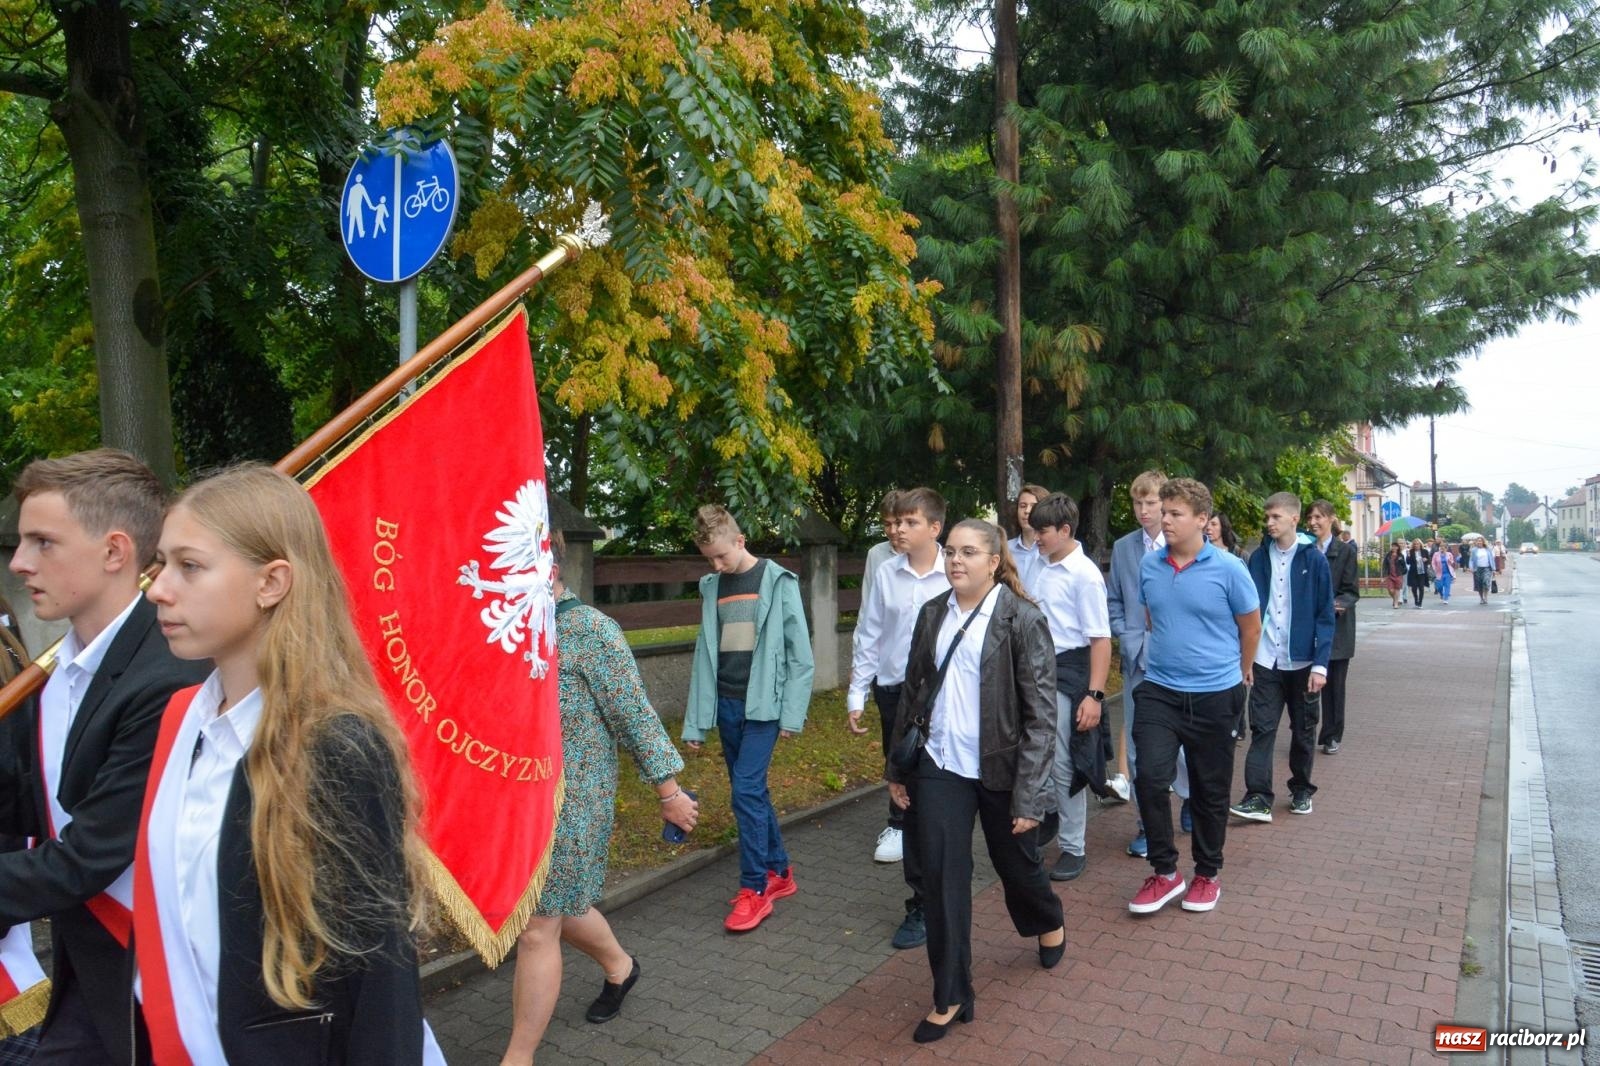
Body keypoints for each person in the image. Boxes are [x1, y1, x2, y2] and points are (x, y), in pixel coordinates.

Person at [135, 464, 436, 1064]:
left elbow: (378, 978)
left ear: (272, 582)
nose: (159, 589)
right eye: (161, 564)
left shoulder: (336, 747)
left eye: (189, 566)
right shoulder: (183, 725)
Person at [1, 449, 208, 1065]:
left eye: (43, 543)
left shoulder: (167, 678)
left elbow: (86, 858)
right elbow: (17, 806)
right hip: (89, 966)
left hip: (165, 976)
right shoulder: (51, 673)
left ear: (115, 552)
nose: (19, 563)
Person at [500, 533, 698, 1063]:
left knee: (538, 925)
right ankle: (621, 968)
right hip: (522, 800)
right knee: (557, 910)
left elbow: (636, 718)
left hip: (576, 801)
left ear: (548, 568)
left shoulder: (590, 630)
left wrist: (670, 793)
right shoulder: (510, 632)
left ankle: (516, 1058)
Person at [885, 520, 1064, 1043]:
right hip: (940, 766)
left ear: (993, 561)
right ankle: (951, 993)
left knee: (1017, 865)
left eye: (969, 553)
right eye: (951, 553)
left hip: (1002, 770)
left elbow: (1040, 716)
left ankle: (1046, 918)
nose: (956, 561)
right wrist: (898, 769)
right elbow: (913, 692)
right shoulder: (932, 613)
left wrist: (1031, 793)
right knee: (941, 877)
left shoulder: (1021, 619)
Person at [1127, 478, 1260, 916]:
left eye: (1174, 513)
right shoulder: (1151, 566)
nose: (1164, 520)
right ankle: (1165, 873)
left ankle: (1207, 874)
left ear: (1202, 520)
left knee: (1209, 790)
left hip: (1215, 695)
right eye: (1163, 512)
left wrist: (1240, 670)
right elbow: (1152, 617)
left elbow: (1251, 626)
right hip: (1160, 690)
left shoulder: (1229, 568)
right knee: (1148, 777)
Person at [682, 504, 814, 932]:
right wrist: (697, 723)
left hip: (765, 708)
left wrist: (792, 715)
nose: (717, 565)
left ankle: (755, 888)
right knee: (751, 792)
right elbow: (705, 657)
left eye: (722, 555)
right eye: (710, 559)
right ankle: (780, 872)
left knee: (746, 792)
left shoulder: (777, 582)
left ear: (740, 541)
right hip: (728, 705)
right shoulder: (711, 587)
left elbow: (801, 656)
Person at [846, 488, 948, 947]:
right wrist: (856, 692)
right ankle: (922, 901)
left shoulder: (958, 571)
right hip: (894, 694)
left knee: (941, 794)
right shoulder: (886, 572)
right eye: (896, 522)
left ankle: (945, 890)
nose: (898, 530)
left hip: (946, 698)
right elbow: (869, 630)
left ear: (934, 528)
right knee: (906, 787)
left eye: (909, 522)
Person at [1023, 493, 1111, 883]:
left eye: (1042, 530)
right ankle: (1048, 817)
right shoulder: (1036, 564)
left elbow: (1100, 640)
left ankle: (1074, 847)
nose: (1036, 537)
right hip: (1033, 672)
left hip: (1068, 673)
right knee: (1032, 755)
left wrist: (1094, 696)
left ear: (1064, 530)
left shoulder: (1085, 575)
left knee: (1062, 762)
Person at [1230, 494, 1333, 822]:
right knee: (1262, 728)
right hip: (1265, 661)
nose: (1269, 523)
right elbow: (1246, 611)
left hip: (1303, 663)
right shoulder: (1258, 558)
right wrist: (1246, 660)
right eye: (1267, 517)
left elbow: (1325, 615)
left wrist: (1320, 664)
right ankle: (1258, 796)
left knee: (1303, 729)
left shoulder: (1314, 561)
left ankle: (1301, 788)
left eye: (1275, 516)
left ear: (1293, 519)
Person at [1105, 470, 1191, 855]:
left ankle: (1190, 796)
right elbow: (1113, 600)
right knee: (1139, 746)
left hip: (1180, 659)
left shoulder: (1187, 545)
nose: (1143, 510)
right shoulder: (1124, 548)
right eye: (1137, 503)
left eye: (1151, 503)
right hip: (1137, 660)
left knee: (1185, 741)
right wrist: (1125, 634)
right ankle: (1147, 824)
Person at [1308, 502, 1358, 756]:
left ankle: (1332, 735)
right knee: (1307, 685)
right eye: (1310, 517)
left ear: (1331, 519)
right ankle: (1305, 731)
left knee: (1335, 687)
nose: (1313, 521)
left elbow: (1351, 591)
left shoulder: (1345, 551)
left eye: (1319, 516)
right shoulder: (1304, 549)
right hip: (1308, 629)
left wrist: (1335, 606)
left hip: (1338, 631)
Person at [859, 490, 902, 605]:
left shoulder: (920, 554)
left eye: (898, 523)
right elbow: (868, 599)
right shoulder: (876, 553)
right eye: (887, 524)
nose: (893, 531)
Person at [1007, 484, 1050, 575]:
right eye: (1023, 506)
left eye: (1033, 506)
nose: (1027, 511)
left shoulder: (1052, 549)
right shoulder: (1006, 549)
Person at [1470, 539, 1495, 604]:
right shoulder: (1474, 550)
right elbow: (1471, 560)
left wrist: (1493, 569)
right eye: (1478, 541)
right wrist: (1471, 568)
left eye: (1480, 541)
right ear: (1476, 542)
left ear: (1483, 542)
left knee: (1486, 581)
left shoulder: (1488, 549)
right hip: (1477, 568)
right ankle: (1481, 598)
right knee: (1479, 584)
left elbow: (1492, 559)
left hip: (1487, 568)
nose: (1479, 542)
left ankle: (1485, 597)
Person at [1383, 542, 1406, 609]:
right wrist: (1384, 575)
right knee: (1390, 590)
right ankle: (1395, 599)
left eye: (1395, 546)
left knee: (1397, 589)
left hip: (1398, 575)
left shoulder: (1400, 555)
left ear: (1398, 547)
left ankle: (1396, 603)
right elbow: (1385, 565)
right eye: (1393, 546)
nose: (1394, 548)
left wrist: (1402, 572)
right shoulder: (1388, 555)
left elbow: (1403, 565)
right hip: (1390, 575)